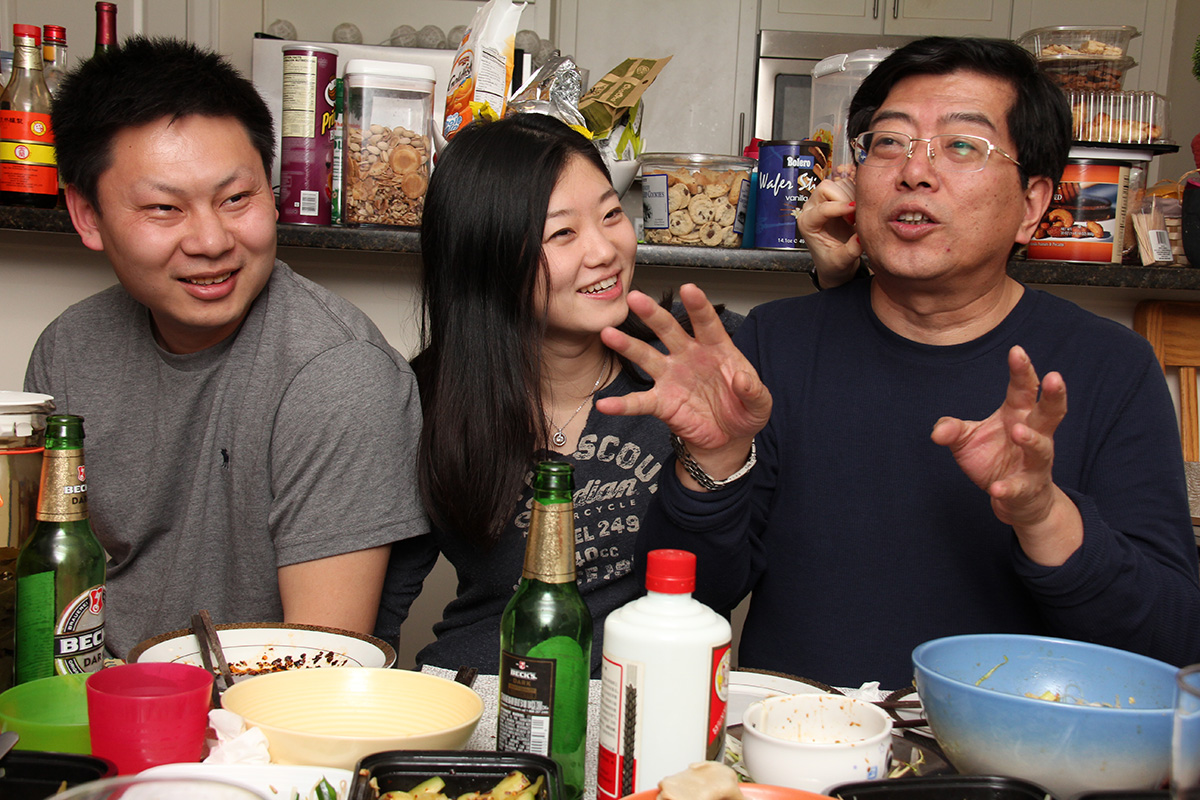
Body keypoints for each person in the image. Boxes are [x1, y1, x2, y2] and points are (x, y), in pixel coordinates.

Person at [596, 37, 1200, 689]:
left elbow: (1170, 644)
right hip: (799, 738)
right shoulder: (778, 344)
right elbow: (687, 602)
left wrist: (1043, 514)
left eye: (962, 145)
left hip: (1012, 747)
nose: (915, 171)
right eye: (889, 142)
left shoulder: (1109, 367)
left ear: (1032, 205)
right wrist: (711, 464)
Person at [24, 37, 427, 659]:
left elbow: (319, 665)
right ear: (87, 214)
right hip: (94, 692)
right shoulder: (70, 349)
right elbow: (49, 586)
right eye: (164, 208)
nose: (211, 241)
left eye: (236, 199)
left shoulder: (339, 373)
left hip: (254, 707)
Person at [373, 113, 739, 675]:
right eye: (562, 233)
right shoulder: (422, 400)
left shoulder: (696, 362)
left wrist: (718, 456)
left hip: (645, 695)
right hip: (483, 691)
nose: (605, 250)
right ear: (488, 258)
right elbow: (372, 614)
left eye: (611, 214)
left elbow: (719, 590)